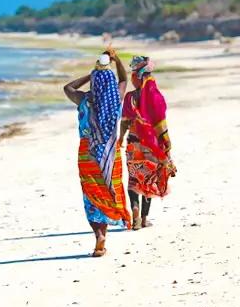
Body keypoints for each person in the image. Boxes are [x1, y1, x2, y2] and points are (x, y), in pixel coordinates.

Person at [63, 50, 131, 257]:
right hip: (111, 153)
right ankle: (105, 234)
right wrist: (116, 60)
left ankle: (98, 237)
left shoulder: (84, 100)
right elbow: (124, 78)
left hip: (88, 154)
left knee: (91, 195)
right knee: (109, 192)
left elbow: (68, 87)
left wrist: (91, 73)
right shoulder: (115, 100)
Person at [119, 55, 176, 230]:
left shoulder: (129, 97)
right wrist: (167, 143)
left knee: (134, 180)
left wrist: (120, 138)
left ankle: (134, 211)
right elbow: (160, 123)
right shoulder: (155, 96)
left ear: (137, 76)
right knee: (149, 179)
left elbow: (125, 121)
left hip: (133, 143)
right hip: (152, 145)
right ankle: (143, 219)